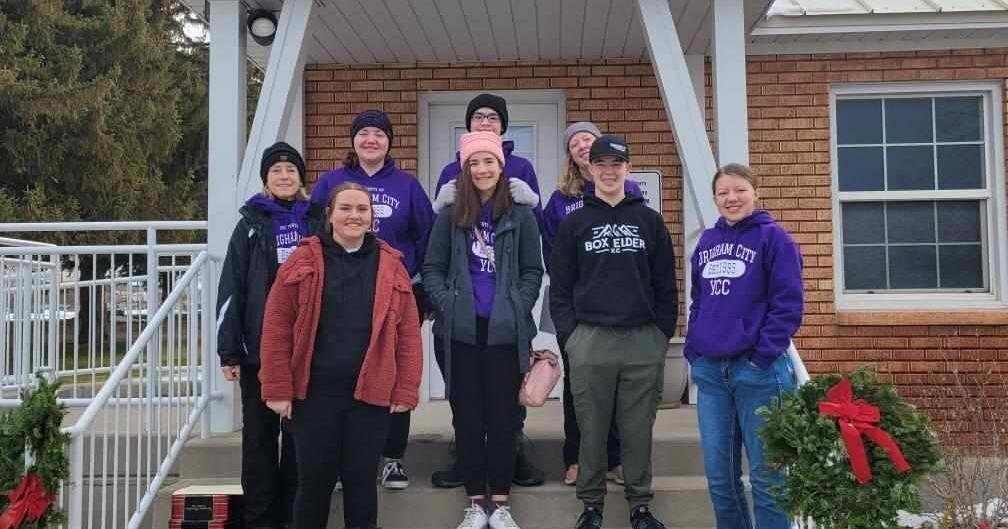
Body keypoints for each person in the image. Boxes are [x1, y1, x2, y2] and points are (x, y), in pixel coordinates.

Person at [259, 182, 423, 529]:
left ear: (372, 218)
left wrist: (406, 387)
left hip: (370, 395)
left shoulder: (392, 265)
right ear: (330, 214)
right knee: (314, 484)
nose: (354, 216)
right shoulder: (302, 260)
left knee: (361, 484)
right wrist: (277, 387)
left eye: (362, 209)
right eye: (345, 208)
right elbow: (276, 326)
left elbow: (408, 333)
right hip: (314, 394)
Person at [550, 135, 678, 529]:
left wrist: (660, 335)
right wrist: (571, 337)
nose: (608, 171)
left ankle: (640, 506)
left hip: (642, 340)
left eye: (616, 164)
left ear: (627, 168)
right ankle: (591, 507)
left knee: (637, 430)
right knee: (591, 429)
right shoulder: (575, 223)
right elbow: (561, 289)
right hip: (590, 339)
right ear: (590, 169)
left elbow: (666, 286)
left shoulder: (650, 220)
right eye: (601, 164)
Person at [423, 131, 543, 529]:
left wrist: (516, 305)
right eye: (473, 162)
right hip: (459, 334)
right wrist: (448, 303)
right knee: (468, 419)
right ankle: (476, 503)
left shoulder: (521, 215)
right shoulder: (449, 214)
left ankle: (502, 505)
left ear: (501, 165)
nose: (481, 169)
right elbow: (432, 269)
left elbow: (532, 271)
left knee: (504, 419)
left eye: (488, 161)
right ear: (464, 168)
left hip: (505, 333)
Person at [310, 109, 434, 490]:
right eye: (364, 133)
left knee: (393, 371)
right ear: (353, 141)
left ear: (389, 142)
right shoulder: (331, 182)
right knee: (340, 371)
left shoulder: (407, 186)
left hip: (396, 293)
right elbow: (314, 232)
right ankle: (338, 460)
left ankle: (392, 457)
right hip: (339, 292)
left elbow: (428, 238)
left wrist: (423, 291)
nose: (371, 140)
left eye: (379, 134)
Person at [685, 163, 803, 529]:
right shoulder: (706, 242)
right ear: (715, 198)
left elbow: (788, 304)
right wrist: (695, 348)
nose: (731, 198)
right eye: (723, 192)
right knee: (720, 479)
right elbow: (699, 300)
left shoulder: (775, 239)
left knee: (769, 479)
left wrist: (761, 357)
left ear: (754, 192)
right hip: (712, 372)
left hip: (760, 372)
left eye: (739, 190)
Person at [216, 141, 321, 529]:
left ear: (301, 177)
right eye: (276, 171)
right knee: (259, 444)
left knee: (299, 442)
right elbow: (231, 290)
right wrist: (229, 351)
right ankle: (261, 520)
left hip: (306, 353)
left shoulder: (317, 222)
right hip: (260, 352)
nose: (284, 176)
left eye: (291, 170)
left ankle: (295, 518)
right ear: (266, 179)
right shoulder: (249, 226)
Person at [540, 122, 642, 487]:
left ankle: (614, 460)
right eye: (575, 142)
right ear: (571, 154)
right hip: (575, 308)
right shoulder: (560, 201)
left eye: (589, 139)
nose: (583, 145)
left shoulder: (629, 194)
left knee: (616, 387)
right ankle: (577, 459)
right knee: (578, 387)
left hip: (620, 308)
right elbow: (553, 255)